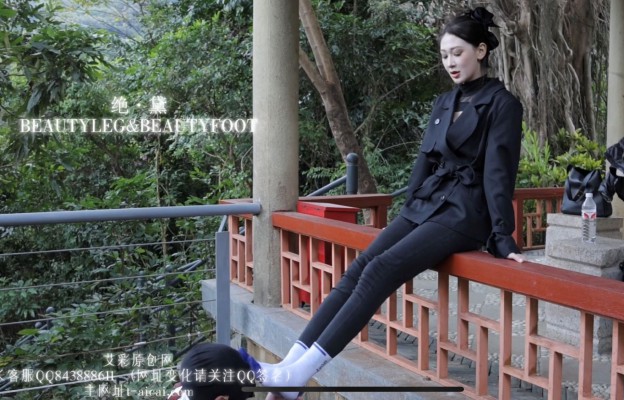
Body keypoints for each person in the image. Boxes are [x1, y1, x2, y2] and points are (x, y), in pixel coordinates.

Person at [243, 7, 525, 399]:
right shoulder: (445, 102)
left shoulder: (503, 104)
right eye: (445, 55)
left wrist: (503, 237)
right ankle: (289, 366)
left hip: (465, 213)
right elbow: (425, 161)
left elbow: (498, 173)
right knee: (359, 268)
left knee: (381, 270)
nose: (450, 62)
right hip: (427, 205)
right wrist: (407, 212)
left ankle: (300, 374)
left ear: (480, 50)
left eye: (458, 53)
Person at [167, 343, 256, 400]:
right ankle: (243, 359)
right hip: (220, 352)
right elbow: (179, 386)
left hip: (240, 378)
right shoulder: (176, 392)